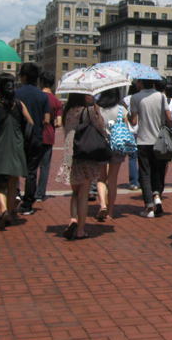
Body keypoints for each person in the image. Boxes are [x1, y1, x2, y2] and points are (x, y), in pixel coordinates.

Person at [0, 72, 32, 229]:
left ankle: (3, 210)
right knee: (12, 185)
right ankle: (10, 213)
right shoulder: (19, 104)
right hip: (16, 148)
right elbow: (31, 123)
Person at [58, 93, 107, 240]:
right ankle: (80, 230)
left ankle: (73, 219)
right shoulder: (89, 111)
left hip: (70, 154)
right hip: (85, 153)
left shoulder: (67, 111)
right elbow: (101, 127)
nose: (90, 96)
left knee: (75, 193)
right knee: (83, 195)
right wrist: (97, 112)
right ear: (81, 96)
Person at [129, 79, 172, 217]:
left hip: (143, 140)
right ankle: (157, 197)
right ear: (153, 84)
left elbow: (134, 121)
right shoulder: (161, 96)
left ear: (141, 83)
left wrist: (128, 112)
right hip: (159, 141)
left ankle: (149, 207)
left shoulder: (135, 97)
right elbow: (169, 119)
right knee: (157, 172)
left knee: (145, 174)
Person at [15, 63, 50, 216]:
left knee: (14, 169)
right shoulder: (43, 96)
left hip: (18, 136)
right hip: (36, 136)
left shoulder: (16, 94)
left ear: (23, 77)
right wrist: (38, 130)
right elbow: (47, 119)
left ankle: (13, 195)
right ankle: (28, 204)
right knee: (32, 171)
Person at [96, 87, 128, 220]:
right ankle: (110, 211)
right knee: (113, 179)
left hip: (101, 145)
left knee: (101, 178)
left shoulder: (98, 109)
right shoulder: (121, 109)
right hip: (117, 145)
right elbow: (126, 128)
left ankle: (102, 204)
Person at [36, 71, 62, 203]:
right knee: (45, 167)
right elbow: (59, 122)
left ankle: (30, 192)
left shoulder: (37, 96)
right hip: (49, 135)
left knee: (32, 167)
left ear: (41, 82)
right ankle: (40, 194)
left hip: (34, 135)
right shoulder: (56, 100)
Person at [123, 84, 139, 190]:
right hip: (142, 131)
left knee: (132, 158)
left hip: (130, 131)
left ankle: (134, 182)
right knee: (142, 158)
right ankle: (143, 180)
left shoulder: (125, 100)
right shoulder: (140, 98)